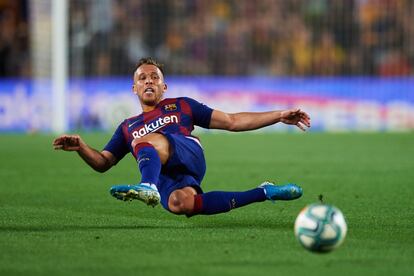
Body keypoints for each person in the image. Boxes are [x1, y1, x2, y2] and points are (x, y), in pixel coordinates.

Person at [53, 57, 311, 216]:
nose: (149, 81)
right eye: (142, 78)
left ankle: (147, 187)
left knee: (145, 140)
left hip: (188, 153)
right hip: (165, 174)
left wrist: (278, 115)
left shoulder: (182, 106)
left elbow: (232, 121)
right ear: (134, 88)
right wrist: (81, 147)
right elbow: (103, 162)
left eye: (155, 77)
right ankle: (263, 192)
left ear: (164, 87)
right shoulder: (127, 126)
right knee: (181, 203)